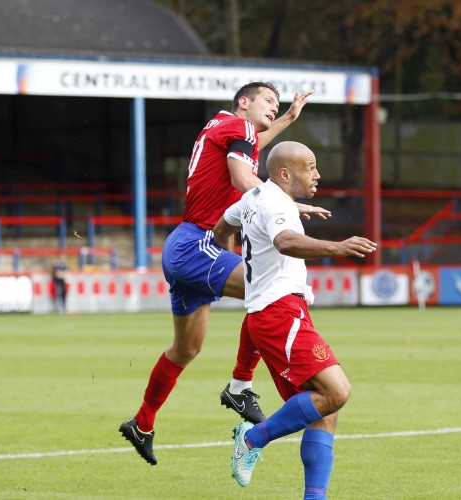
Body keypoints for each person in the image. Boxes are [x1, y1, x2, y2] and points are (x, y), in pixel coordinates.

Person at [119, 82, 331, 466]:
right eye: (268, 100)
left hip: (185, 246)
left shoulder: (225, 128)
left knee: (186, 349)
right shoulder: (240, 129)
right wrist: (286, 203)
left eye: (277, 104)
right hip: (199, 243)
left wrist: (286, 118)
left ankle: (143, 422)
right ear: (243, 102)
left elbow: (252, 147)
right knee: (267, 290)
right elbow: (240, 177)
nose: (273, 107)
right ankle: (240, 386)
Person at [212, 141, 377, 498]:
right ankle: (252, 439)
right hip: (279, 314)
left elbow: (221, 228)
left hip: (275, 314)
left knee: (323, 410)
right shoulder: (275, 204)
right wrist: (336, 247)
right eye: (310, 167)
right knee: (336, 392)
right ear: (285, 173)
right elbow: (286, 241)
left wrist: (235, 259)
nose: (317, 175)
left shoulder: (255, 198)